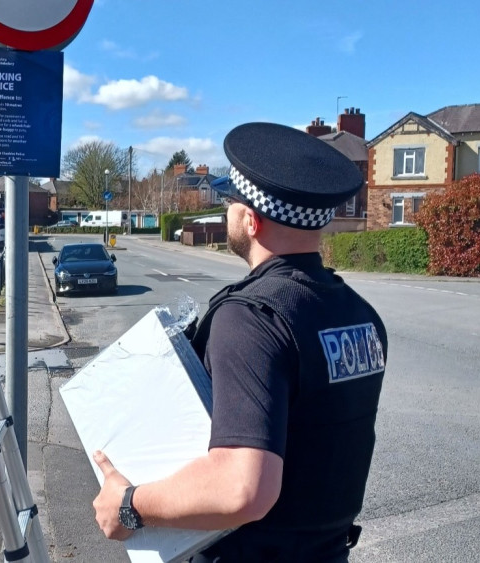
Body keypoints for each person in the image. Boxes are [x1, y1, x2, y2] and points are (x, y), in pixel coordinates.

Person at [91, 122, 388, 562]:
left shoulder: (251, 318)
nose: (228, 210)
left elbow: (244, 488)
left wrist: (130, 506)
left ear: (251, 220)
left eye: (231, 201)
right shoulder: (361, 315)